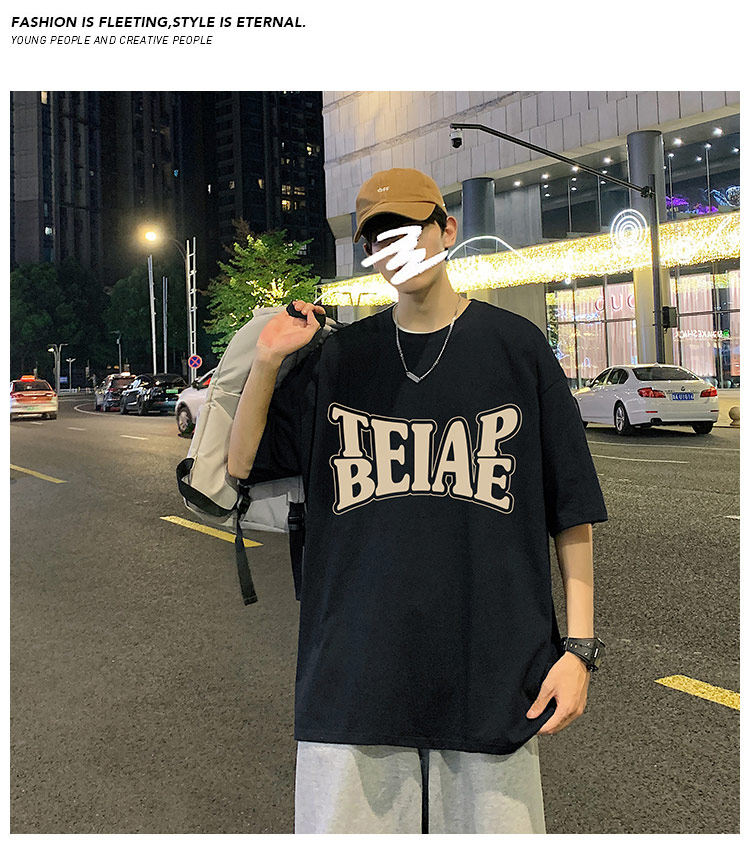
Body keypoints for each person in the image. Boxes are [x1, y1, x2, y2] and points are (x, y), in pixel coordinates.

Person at [227, 167, 608, 834]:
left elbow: (571, 509)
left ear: (447, 230)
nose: (395, 249)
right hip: (354, 680)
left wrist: (578, 650)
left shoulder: (516, 348)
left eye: (408, 230)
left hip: (493, 677)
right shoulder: (339, 359)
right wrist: (265, 361)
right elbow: (241, 467)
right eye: (379, 239)